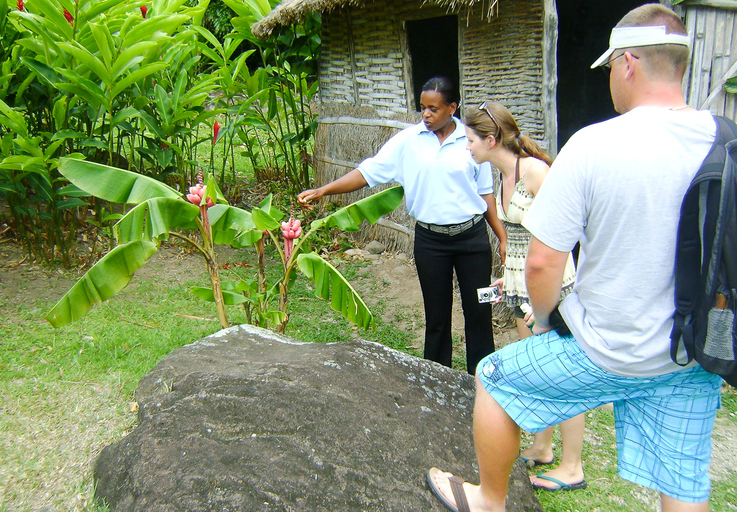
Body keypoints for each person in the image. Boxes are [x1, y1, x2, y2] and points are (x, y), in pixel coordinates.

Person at [427, 4, 724, 512]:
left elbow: (543, 262)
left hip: (605, 348)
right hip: (688, 352)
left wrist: (544, 322)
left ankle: (488, 500)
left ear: (627, 63)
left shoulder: (593, 145)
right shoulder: (728, 139)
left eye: (610, 66)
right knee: (682, 478)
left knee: (495, 377)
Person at [298, 76, 507, 374]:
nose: (426, 114)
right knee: (436, 317)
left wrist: (502, 238)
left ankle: (483, 381)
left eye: (434, 108)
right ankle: (437, 379)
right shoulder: (407, 142)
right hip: (430, 242)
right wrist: (324, 190)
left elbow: (486, 196)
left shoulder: (471, 142)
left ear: (452, 107)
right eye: (422, 107)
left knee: (480, 309)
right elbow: (367, 173)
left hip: (472, 240)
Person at [464, 102, 586, 492]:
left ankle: (573, 466)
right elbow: (517, 241)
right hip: (520, 287)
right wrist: (509, 280)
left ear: (490, 139)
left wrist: (543, 299)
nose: (466, 146)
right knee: (538, 370)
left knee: (565, 376)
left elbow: (562, 237)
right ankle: (543, 446)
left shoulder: (536, 172)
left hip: (550, 290)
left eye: (469, 140)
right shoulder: (501, 175)